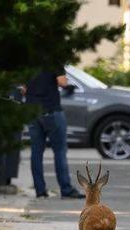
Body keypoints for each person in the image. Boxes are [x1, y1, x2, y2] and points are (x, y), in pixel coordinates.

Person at [24, 66, 84, 199]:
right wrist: (68, 85)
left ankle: (40, 190)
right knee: (60, 151)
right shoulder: (53, 59)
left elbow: (23, 89)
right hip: (51, 109)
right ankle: (66, 189)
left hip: (32, 111)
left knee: (36, 151)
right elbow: (62, 82)